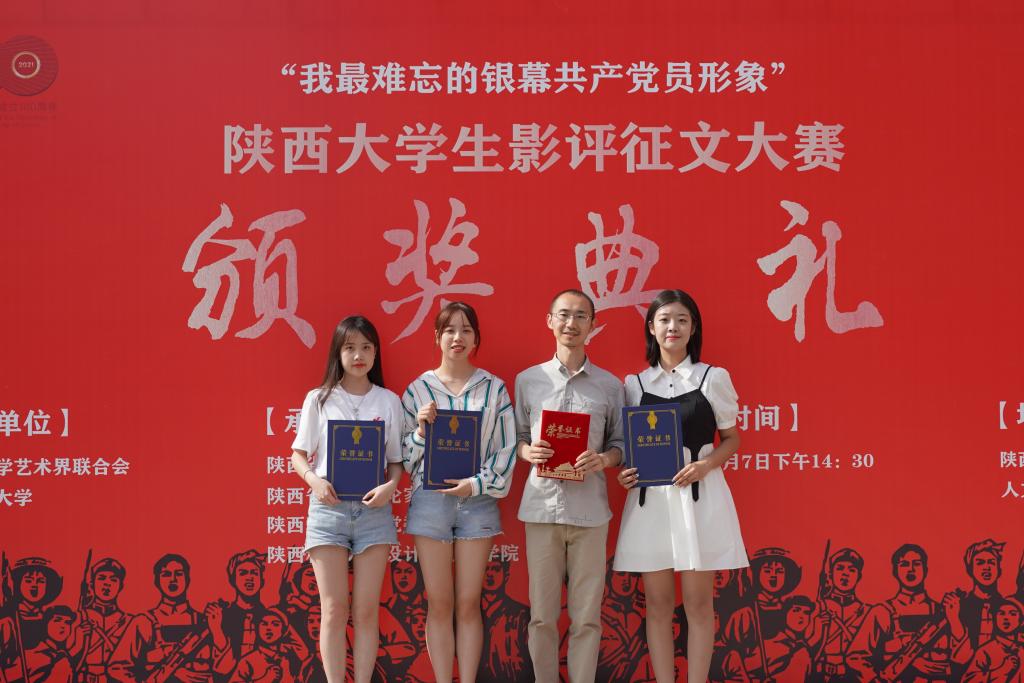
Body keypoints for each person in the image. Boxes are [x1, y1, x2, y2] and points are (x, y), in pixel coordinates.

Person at [615, 288, 748, 683]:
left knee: (698, 604)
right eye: (664, 320)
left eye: (682, 320)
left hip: (699, 499)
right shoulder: (634, 384)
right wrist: (624, 473)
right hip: (651, 503)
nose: (672, 327)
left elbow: (732, 439)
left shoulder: (712, 377)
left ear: (693, 328)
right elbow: (628, 448)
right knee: (657, 605)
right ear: (651, 328)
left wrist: (704, 465)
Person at [401, 301, 517, 683]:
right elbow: (402, 458)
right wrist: (421, 431)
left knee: (468, 604)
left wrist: (476, 484)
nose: (458, 337)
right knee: (439, 603)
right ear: (437, 336)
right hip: (430, 501)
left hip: (477, 501)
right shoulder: (417, 390)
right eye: (449, 330)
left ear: (476, 338)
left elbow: (505, 450)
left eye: (466, 330)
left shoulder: (494, 388)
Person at [514, 288, 625, 683]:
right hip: (542, 510)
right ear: (550, 321)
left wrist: (604, 460)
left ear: (592, 325)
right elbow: (516, 438)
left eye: (581, 316)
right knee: (542, 617)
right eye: (563, 314)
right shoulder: (528, 381)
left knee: (587, 618)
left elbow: (620, 444)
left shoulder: (610, 386)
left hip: (590, 513)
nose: (571, 323)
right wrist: (528, 452)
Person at [289, 315, 405, 683]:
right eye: (350, 347)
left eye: (366, 347)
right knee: (334, 609)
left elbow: (396, 461)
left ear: (376, 353)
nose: (358, 355)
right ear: (337, 353)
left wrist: (390, 486)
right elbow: (298, 455)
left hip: (374, 513)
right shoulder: (319, 399)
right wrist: (314, 481)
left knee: (367, 611)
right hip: (329, 511)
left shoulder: (389, 401)